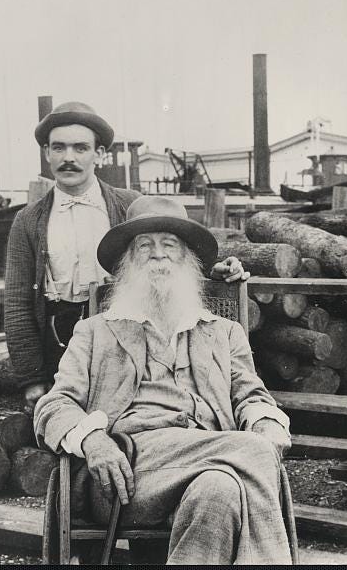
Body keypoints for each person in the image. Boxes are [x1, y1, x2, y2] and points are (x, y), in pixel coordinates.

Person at [34, 195, 292, 565]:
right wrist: (94, 441)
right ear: (128, 261)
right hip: (127, 474)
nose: (158, 255)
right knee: (255, 451)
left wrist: (266, 423)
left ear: (187, 259)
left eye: (169, 245)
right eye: (145, 246)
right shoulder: (95, 331)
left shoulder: (223, 332)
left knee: (219, 490)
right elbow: (54, 405)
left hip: (212, 462)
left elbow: (251, 395)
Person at [5, 102, 250, 413]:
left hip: (123, 338)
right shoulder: (28, 220)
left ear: (99, 154)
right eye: (59, 147)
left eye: (81, 148)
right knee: (61, 419)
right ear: (46, 153)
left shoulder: (131, 205)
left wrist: (215, 270)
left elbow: (168, 252)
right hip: (59, 340)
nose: (69, 158)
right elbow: (16, 303)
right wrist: (31, 377)